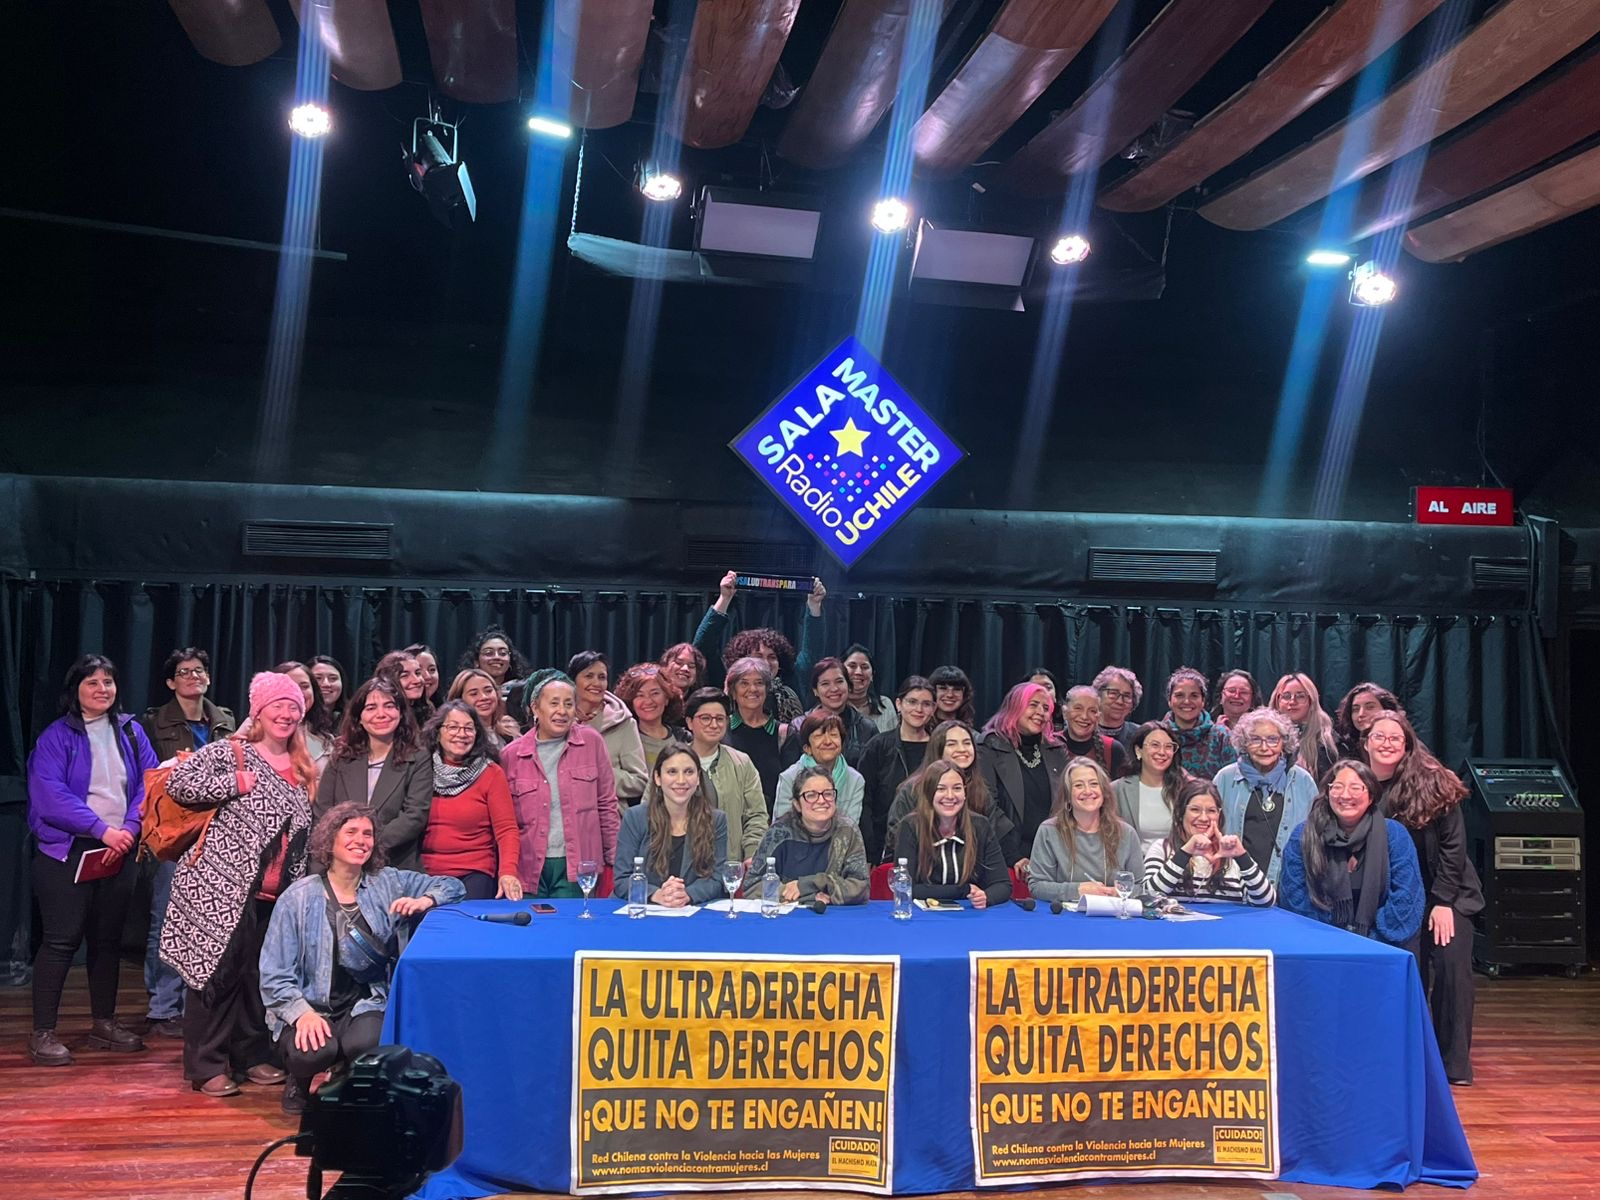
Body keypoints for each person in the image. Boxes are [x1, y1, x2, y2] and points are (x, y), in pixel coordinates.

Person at [162, 671, 316, 1097]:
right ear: (259, 712)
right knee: (216, 974)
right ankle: (207, 1065)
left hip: (273, 895)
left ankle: (250, 1056)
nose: (286, 714)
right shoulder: (232, 752)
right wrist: (233, 782)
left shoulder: (303, 766)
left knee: (256, 978)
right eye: (277, 706)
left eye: (293, 707)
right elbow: (178, 783)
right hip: (221, 888)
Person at [259, 802, 465, 1113]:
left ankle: (346, 1074)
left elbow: (453, 886)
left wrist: (425, 900)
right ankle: (299, 1081)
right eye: (351, 832)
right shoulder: (297, 897)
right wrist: (301, 1014)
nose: (361, 840)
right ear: (330, 839)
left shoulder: (388, 882)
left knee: (366, 1044)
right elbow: (274, 974)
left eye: (367, 834)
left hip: (365, 1002)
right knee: (312, 1052)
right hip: (312, 1004)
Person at [26, 655, 158, 1066]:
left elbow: (150, 783)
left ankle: (104, 1022)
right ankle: (43, 1032)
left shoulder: (132, 731)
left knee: (107, 941)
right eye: (92, 683)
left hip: (120, 847)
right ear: (75, 690)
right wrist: (102, 830)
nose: (103, 689)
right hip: (68, 851)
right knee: (61, 940)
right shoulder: (56, 737)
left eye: (108, 682)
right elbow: (50, 795)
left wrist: (129, 829)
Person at [1365, 712, 1482, 1085]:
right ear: (1366, 742)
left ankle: (1453, 1065)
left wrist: (1443, 901)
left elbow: (1453, 847)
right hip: (1396, 899)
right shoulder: (1359, 785)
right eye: (1379, 736)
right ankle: (1409, 1058)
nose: (1386, 743)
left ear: (1407, 745)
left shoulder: (1434, 782)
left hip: (1445, 894)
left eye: (1394, 738)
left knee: (1450, 965)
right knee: (1406, 969)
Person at [139, 647, 236, 1039]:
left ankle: (199, 1005)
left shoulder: (226, 720)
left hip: (217, 831)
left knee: (209, 919)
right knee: (167, 917)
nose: (193, 677)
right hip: (174, 831)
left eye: (199, 671)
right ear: (170, 682)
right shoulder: (153, 722)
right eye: (184, 672)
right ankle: (163, 1007)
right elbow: (148, 778)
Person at [1280, 760, 1424, 949]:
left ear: (1371, 795)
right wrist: (1334, 940)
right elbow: (1294, 897)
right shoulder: (1304, 834)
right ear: (1328, 793)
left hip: (1383, 946)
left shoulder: (1394, 835)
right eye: (1337, 787)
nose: (1345, 795)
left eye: (1356, 788)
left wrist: (1368, 943)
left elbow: (1406, 898)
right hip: (1318, 944)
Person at [502, 670, 619, 898]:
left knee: (572, 921)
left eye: (568, 704)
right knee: (529, 921)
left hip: (578, 867)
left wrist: (614, 858)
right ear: (535, 708)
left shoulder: (592, 742)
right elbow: (505, 823)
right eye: (554, 703)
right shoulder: (511, 755)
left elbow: (606, 805)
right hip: (527, 867)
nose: (562, 711)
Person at [316, 678, 433, 869]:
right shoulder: (341, 757)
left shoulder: (418, 757)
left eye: (389, 706)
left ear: (401, 712)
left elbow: (414, 816)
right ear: (359, 717)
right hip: (341, 865)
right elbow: (323, 813)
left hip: (394, 864)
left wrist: (365, 844)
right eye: (371, 708)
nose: (381, 714)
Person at [418, 702, 522, 901]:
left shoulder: (491, 773)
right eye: (453, 727)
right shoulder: (421, 770)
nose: (461, 734)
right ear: (438, 732)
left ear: (477, 734)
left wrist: (508, 872)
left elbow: (507, 829)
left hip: (474, 871)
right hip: (425, 872)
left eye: (468, 728)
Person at [691, 570, 821, 724]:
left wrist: (814, 605)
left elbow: (812, 651)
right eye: (758, 656)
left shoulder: (793, 683)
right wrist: (725, 599)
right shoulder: (726, 682)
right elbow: (702, 647)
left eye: (772, 657)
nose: (765, 662)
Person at [882, 720, 1016, 866]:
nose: (962, 749)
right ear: (938, 750)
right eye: (952, 744)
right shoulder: (912, 790)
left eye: (967, 743)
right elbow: (896, 838)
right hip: (922, 868)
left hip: (972, 869)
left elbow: (993, 836)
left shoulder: (980, 790)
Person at [612, 746, 729, 907]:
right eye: (672, 772)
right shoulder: (635, 817)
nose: (681, 780)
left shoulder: (716, 820)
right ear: (657, 778)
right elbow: (622, 879)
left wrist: (686, 894)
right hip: (645, 911)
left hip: (692, 911)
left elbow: (717, 879)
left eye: (689, 772)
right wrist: (657, 894)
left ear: (698, 778)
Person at [1213, 707, 1317, 885]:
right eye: (1255, 739)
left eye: (1272, 740)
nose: (1264, 747)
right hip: (1232, 883)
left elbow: (1317, 833)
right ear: (1244, 744)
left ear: (1284, 743)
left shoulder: (1302, 781)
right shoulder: (1225, 778)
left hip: (1286, 883)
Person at [889, 758, 1012, 908]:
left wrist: (986, 897)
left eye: (957, 788)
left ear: (965, 793)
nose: (950, 796)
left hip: (969, 914)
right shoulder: (910, 826)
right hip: (921, 916)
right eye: (941, 789)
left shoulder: (980, 826)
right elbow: (906, 888)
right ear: (928, 793)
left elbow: (1003, 884)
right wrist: (963, 890)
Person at [1025, 758, 1142, 905]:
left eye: (1094, 784)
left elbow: (1140, 887)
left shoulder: (1126, 833)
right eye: (1078, 785)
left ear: (1104, 791)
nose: (1088, 791)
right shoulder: (1049, 831)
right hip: (1064, 915)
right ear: (1067, 796)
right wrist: (1078, 890)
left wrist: (1116, 892)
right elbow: (1037, 887)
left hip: (1112, 913)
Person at [748, 766, 869, 905]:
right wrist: (792, 894)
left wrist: (815, 883)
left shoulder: (847, 831)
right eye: (811, 795)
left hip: (833, 915)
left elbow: (861, 888)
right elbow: (752, 885)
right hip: (786, 913)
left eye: (828, 794)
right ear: (797, 804)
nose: (821, 800)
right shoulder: (778, 832)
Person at [1143, 779, 1276, 906]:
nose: (1203, 818)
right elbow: (1148, 895)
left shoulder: (1231, 853)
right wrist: (1185, 852)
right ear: (1180, 813)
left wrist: (1242, 857)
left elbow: (1266, 901)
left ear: (1219, 815)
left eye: (1211, 811)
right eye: (1195, 810)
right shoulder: (1162, 848)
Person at [978, 682, 1067, 865]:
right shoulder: (990, 746)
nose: (1041, 712)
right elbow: (987, 805)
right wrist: (1014, 855)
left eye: (1046, 708)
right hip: (1005, 854)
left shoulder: (1056, 751)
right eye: (1033, 705)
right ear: (1015, 707)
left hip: (1051, 854)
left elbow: (1065, 803)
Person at [856, 676, 936, 862]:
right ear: (899, 704)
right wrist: (871, 853)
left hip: (932, 846)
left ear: (933, 709)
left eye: (926, 704)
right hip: (884, 846)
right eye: (912, 702)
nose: (919, 709)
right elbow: (865, 802)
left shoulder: (939, 748)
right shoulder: (878, 746)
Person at [684, 688, 768, 862]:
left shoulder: (742, 763)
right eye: (705, 718)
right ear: (690, 722)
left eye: (720, 719)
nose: (714, 725)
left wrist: (752, 854)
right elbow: (651, 811)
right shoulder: (671, 762)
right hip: (681, 863)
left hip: (730, 864)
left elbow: (756, 816)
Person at [563, 652, 649, 805]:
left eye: (602, 677)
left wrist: (597, 773)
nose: (596, 683)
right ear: (572, 681)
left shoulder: (623, 722)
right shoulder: (559, 720)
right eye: (589, 676)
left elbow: (640, 780)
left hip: (607, 811)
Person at [780, 657, 876, 769]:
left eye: (839, 681)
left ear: (849, 686)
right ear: (815, 691)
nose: (834, 689)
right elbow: (791, 771)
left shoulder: (867, 728)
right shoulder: (798, 726)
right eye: (825, 684)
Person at [774, 710, 867, 827]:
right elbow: (781, 826)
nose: (828, 741)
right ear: (807, 748)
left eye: (833, 735)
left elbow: (850, 828)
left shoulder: (855, 780)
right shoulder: (789, 778)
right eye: (819, 736)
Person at [723, 656, 789, 810]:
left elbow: (790, 788)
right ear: (733, 692)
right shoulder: (721, 730)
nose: (752, 689)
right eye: (744, 683)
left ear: (767, 689)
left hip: (773, 819)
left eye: (759, 683)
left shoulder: (785, 734)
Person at [1110, 722, 1186, 855]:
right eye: (1155, 745)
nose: (1162, 752)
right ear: (1138, 750)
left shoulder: (1185, 788)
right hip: (1134, 864)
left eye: (1168, 747)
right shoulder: (1117, 790)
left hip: (1176, 863)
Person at [1161, 667, 1235, 779]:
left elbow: (1233, 781)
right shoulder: (1157, 735)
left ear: (1203, 701)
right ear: (1169, 701)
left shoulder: (1221, 736)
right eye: (1179, 695)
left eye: (1194, 696)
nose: (1187, 701)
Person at [614, 663, 688, 775]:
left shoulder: (683, 738)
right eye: (640, 695)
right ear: (631, 702)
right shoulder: (622, 739)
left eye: (655, 693)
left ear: (667, 698)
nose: (648, 701)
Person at [1270, 673, 1338, 782]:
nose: (1292, 702)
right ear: (1277, 701)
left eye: (1300, 696)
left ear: (1312, 701)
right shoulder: (1264, 736)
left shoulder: (1327, 742)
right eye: (1286, 696)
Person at [273, 661, 332, 774]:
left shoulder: (327, 741)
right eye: (290, 686)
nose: (298, 693)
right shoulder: (252, 731)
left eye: (304, 686)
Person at [446, 668, 521, 756]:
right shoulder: (456, 737)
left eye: (488, 691)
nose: (484, 697)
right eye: (474, 694)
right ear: (459, 700)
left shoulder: (510, 728)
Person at [1060, 685, 1130, 777]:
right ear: (1065, 712)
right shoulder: (1049, 745)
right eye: (1078, 708)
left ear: (1099, 717)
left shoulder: (1113, 749)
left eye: (1092, 711)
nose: (1084, 716)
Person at [459, 625, 532, 705]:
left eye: (503, 653)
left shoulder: (524, 692)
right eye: (488, 653)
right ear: (476, 661)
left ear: (510, 660)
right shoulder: (464, 690)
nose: (497, 657)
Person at [1335, 681, 1402, 758]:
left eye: (1370, 707)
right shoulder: (1342, 750)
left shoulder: (1404, 745)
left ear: (1387, 709)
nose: (1361, 714)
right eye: (1355, 709)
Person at [843, 644, 898, 733]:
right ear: (841, 671)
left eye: (864, 667)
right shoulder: (834, 705)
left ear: (872, 675)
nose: (858, 672)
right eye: (852, 666)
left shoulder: (885, 705)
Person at [376, 649, 434, 728]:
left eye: (417, 673)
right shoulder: (382, 716)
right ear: (387, 681)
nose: (417, 680)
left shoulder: (427, 709)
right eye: (405, 676)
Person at [1092, 666, 1142, 752]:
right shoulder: (1081, 731)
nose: (1120, 701)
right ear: (1098, 695)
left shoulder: (1140, 735)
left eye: (1126, 696)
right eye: (1113, 693)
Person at [308, 656, 346, 737]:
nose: (326, 684)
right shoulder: (298, 722)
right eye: (318, 678)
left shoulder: (353, 720)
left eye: (333, 678)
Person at [1026, 667, 1064, 732]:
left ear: (1056, 695)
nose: (1043, 692)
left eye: (1048, 687)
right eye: (1035, 688)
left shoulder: (1066, 720)